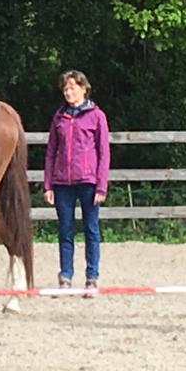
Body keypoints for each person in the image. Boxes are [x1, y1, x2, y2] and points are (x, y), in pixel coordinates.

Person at [43, 70, 110, 296]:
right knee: (65, 230)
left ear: (83, 88)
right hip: (62, 181)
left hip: (88, 181)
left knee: (91, 230)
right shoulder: (59, 117)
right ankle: (65, 277)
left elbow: (104, 153)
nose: (68, 92)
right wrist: (48, 184)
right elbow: (51, 151)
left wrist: (101, 185)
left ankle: (91, 278)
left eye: (72, 88)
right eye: (65, 89)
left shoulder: (96, 116)